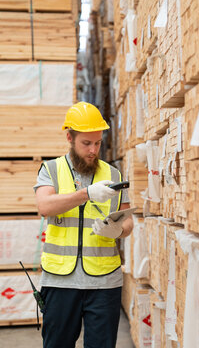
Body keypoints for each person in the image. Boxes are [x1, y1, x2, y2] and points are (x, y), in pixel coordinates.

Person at [33, 101, 133, 348]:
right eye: (86, 143)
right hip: (60, 280)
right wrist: (86, 194)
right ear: (70, 137)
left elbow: (127, 219)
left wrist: (119, 230)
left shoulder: (113, 174)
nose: (93, 150)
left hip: (104, 282)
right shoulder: (52, 169)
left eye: (97, 143)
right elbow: (44, 206)